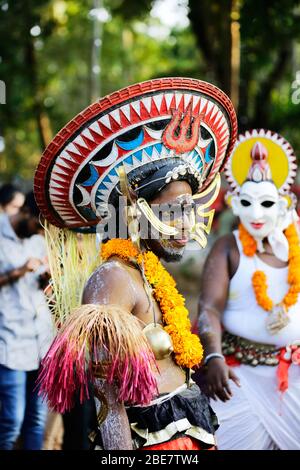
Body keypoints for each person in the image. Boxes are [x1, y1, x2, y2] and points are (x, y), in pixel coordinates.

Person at [34, 77, 237, 450]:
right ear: (132, 213)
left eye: (190, 211)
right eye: (172, 212)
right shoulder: (113, 277)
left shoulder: (148, 271)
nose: (186, 226)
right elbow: (107, 402)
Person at [198, 129, 300, 450]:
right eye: (248, 203)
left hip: (293, 378)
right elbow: (209, 307)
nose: (257, 214)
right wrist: (214, 356)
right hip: (237, 378)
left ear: (285, 204)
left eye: (267, 203)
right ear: (235, 204)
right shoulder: (228, 249)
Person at [0, 191, 54, 450]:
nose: (37, 233)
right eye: (36, 225)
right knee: (12, 420)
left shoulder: (37, 239)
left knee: (37, 420)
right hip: (9, 342)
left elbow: (42, 285)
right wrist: (20, 271)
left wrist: (47, 280)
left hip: (40, 342)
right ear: (24, 213)